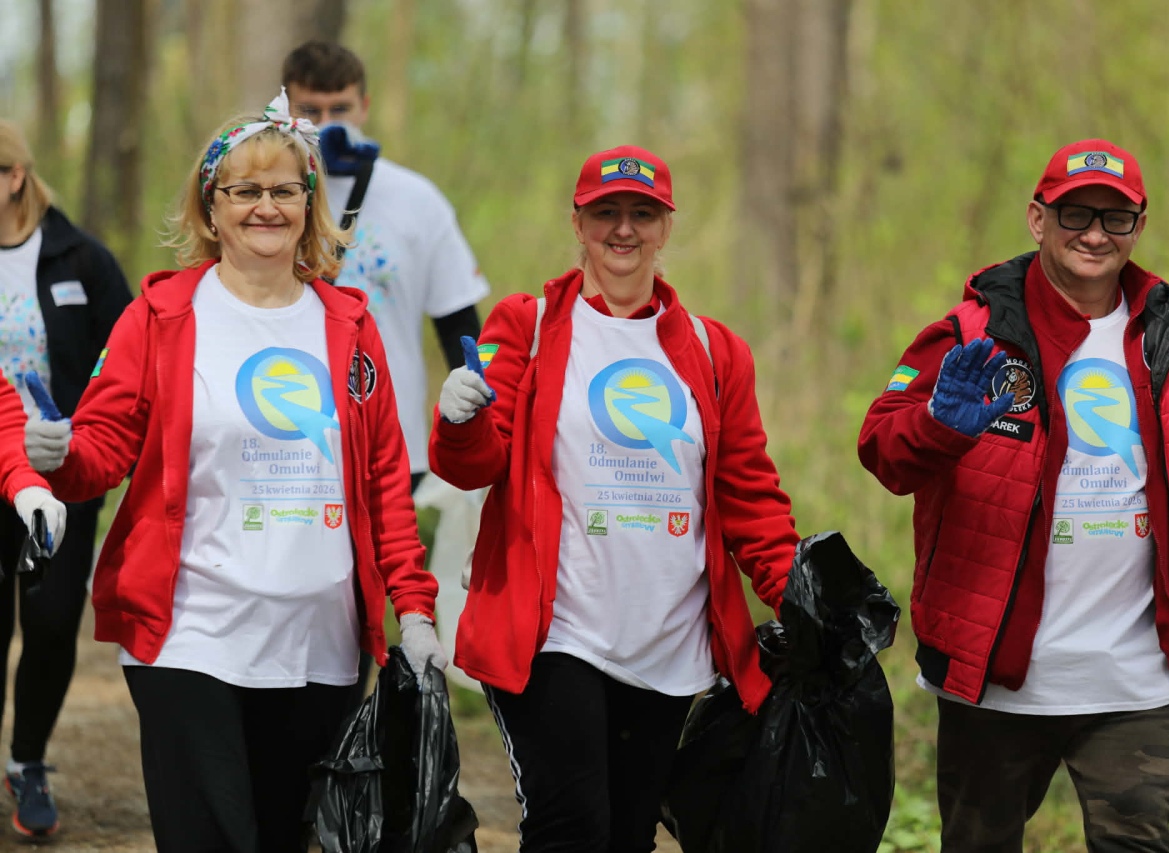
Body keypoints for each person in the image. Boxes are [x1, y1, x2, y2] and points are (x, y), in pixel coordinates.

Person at [28, 90, 446, 853]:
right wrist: (55, 458)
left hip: (321, 641)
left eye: (284, 189)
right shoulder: (159, 318)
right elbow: (103, 452)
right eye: (244, 190)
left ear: (309, 203)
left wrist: (413, 609)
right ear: (210, 208)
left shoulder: (350, 327)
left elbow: (383, 481)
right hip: (193, 632)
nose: (265, 207)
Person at [857, 138, 1169, 852]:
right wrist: (937, 427)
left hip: (1135, 678)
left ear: (1138, 227)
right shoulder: (974, 333)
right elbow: (883, 449)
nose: (1094, 233)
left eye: (1116, 218)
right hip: (994, 677)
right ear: (1037, 218)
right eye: (1076, 213)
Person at [429, 145, 800, 852]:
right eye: (606, 213)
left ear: (666, 228)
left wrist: (797, 597)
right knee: (573, 826)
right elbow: (478, 465)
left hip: (666, 637)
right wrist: (460, 419)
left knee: (629, 835)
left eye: (641, 213)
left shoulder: (715, 350)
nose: (623, 230)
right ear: (578, 223)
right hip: (555, 631)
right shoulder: (528, 325)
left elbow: (749, 494)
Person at [282, 40, 490, 693]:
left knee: (370, 601)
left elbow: (460, 325)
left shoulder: (415, 200)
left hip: (391, 441)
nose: (326, 122)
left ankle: (358, 747)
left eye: (339, 107)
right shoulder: (267, 193)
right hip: (287, 432)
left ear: (364, 104)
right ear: (284, 105)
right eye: (308, 108)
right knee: (300, 595)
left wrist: (475, 421)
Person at [0, 119, 130, 837]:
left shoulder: (83, 259)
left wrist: (95, 437)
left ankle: (27, 761)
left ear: (15, 176)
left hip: (62, 472)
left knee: (50, 623)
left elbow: (126, 360)